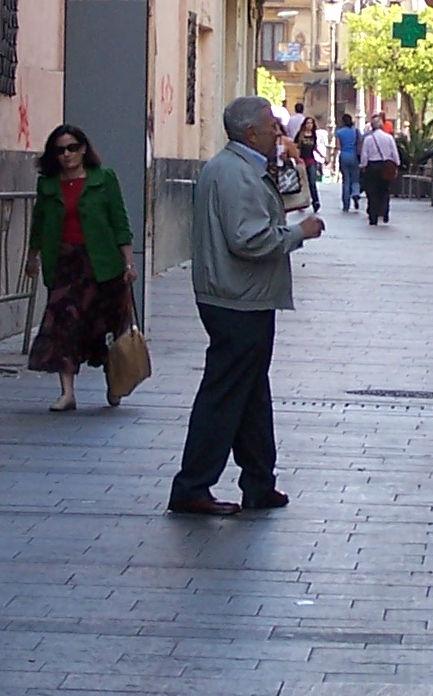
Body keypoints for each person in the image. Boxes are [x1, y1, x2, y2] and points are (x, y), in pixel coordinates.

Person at [170, 96, 325, 516]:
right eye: (271, 127)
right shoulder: (236, 174)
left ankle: (259, 480)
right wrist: (299, 233)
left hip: (241, 295)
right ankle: (192, 485)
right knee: (226, 392)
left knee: (251, 390)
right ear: (250, 133)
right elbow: (249, 239)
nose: (279, 134)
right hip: (238, 298)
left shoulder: (236, 169)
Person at [23, 124, 137, 412]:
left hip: (102, 263)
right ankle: (67, 392)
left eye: (72, 148)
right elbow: (39, 223)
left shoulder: (104, 179)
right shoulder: (48, 184)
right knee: (63, 324)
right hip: (64, 262)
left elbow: (119, 221)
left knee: (106, 325)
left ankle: (115, 382)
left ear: (84, 148)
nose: (66, 155)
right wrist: (32, 257)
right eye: (60, 150)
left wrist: (128, 262)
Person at [358, 113, 401, 225]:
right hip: (385, 166)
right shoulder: (389, 138)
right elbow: (394, 153)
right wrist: (396, 163)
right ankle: (385, 212)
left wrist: (363, 166)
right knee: (385, 190)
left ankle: (373, 216)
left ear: (372, 126)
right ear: (382, 126)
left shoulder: (368, 139)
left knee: (372, 192)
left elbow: (364, 155)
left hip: (372, 166)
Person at [293, 115, 323, 213]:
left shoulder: (313, 135)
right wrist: (297, 158)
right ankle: (301, 202)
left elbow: (315, 147)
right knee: (302, 182)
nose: (309, 125)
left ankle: (316, 201)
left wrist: (322, 156)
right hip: (302, 160)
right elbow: (296, 147)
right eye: (308, 123)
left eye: (311, 123)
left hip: (311, 160)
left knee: (312, 182)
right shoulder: (300, 135)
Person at [333, 112, 362, 214]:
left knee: (346, 180)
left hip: (344, 156)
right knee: (355, 179)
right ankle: (355, 193)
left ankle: (346, 204)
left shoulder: (339, 132)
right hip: (354, 156)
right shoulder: (356, 131)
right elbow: (360, 144)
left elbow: (338, 147)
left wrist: (333, 161)